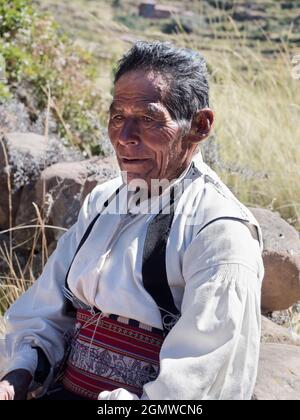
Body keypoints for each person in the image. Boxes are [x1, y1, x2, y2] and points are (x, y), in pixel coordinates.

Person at [0, 41, 264, 400]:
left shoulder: (219, 232)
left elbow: (197, 388)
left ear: (199, 126)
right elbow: (47, 307)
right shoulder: (103, 201)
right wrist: (19, 372)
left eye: (149, 119)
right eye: (118, 117)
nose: (124, 138)